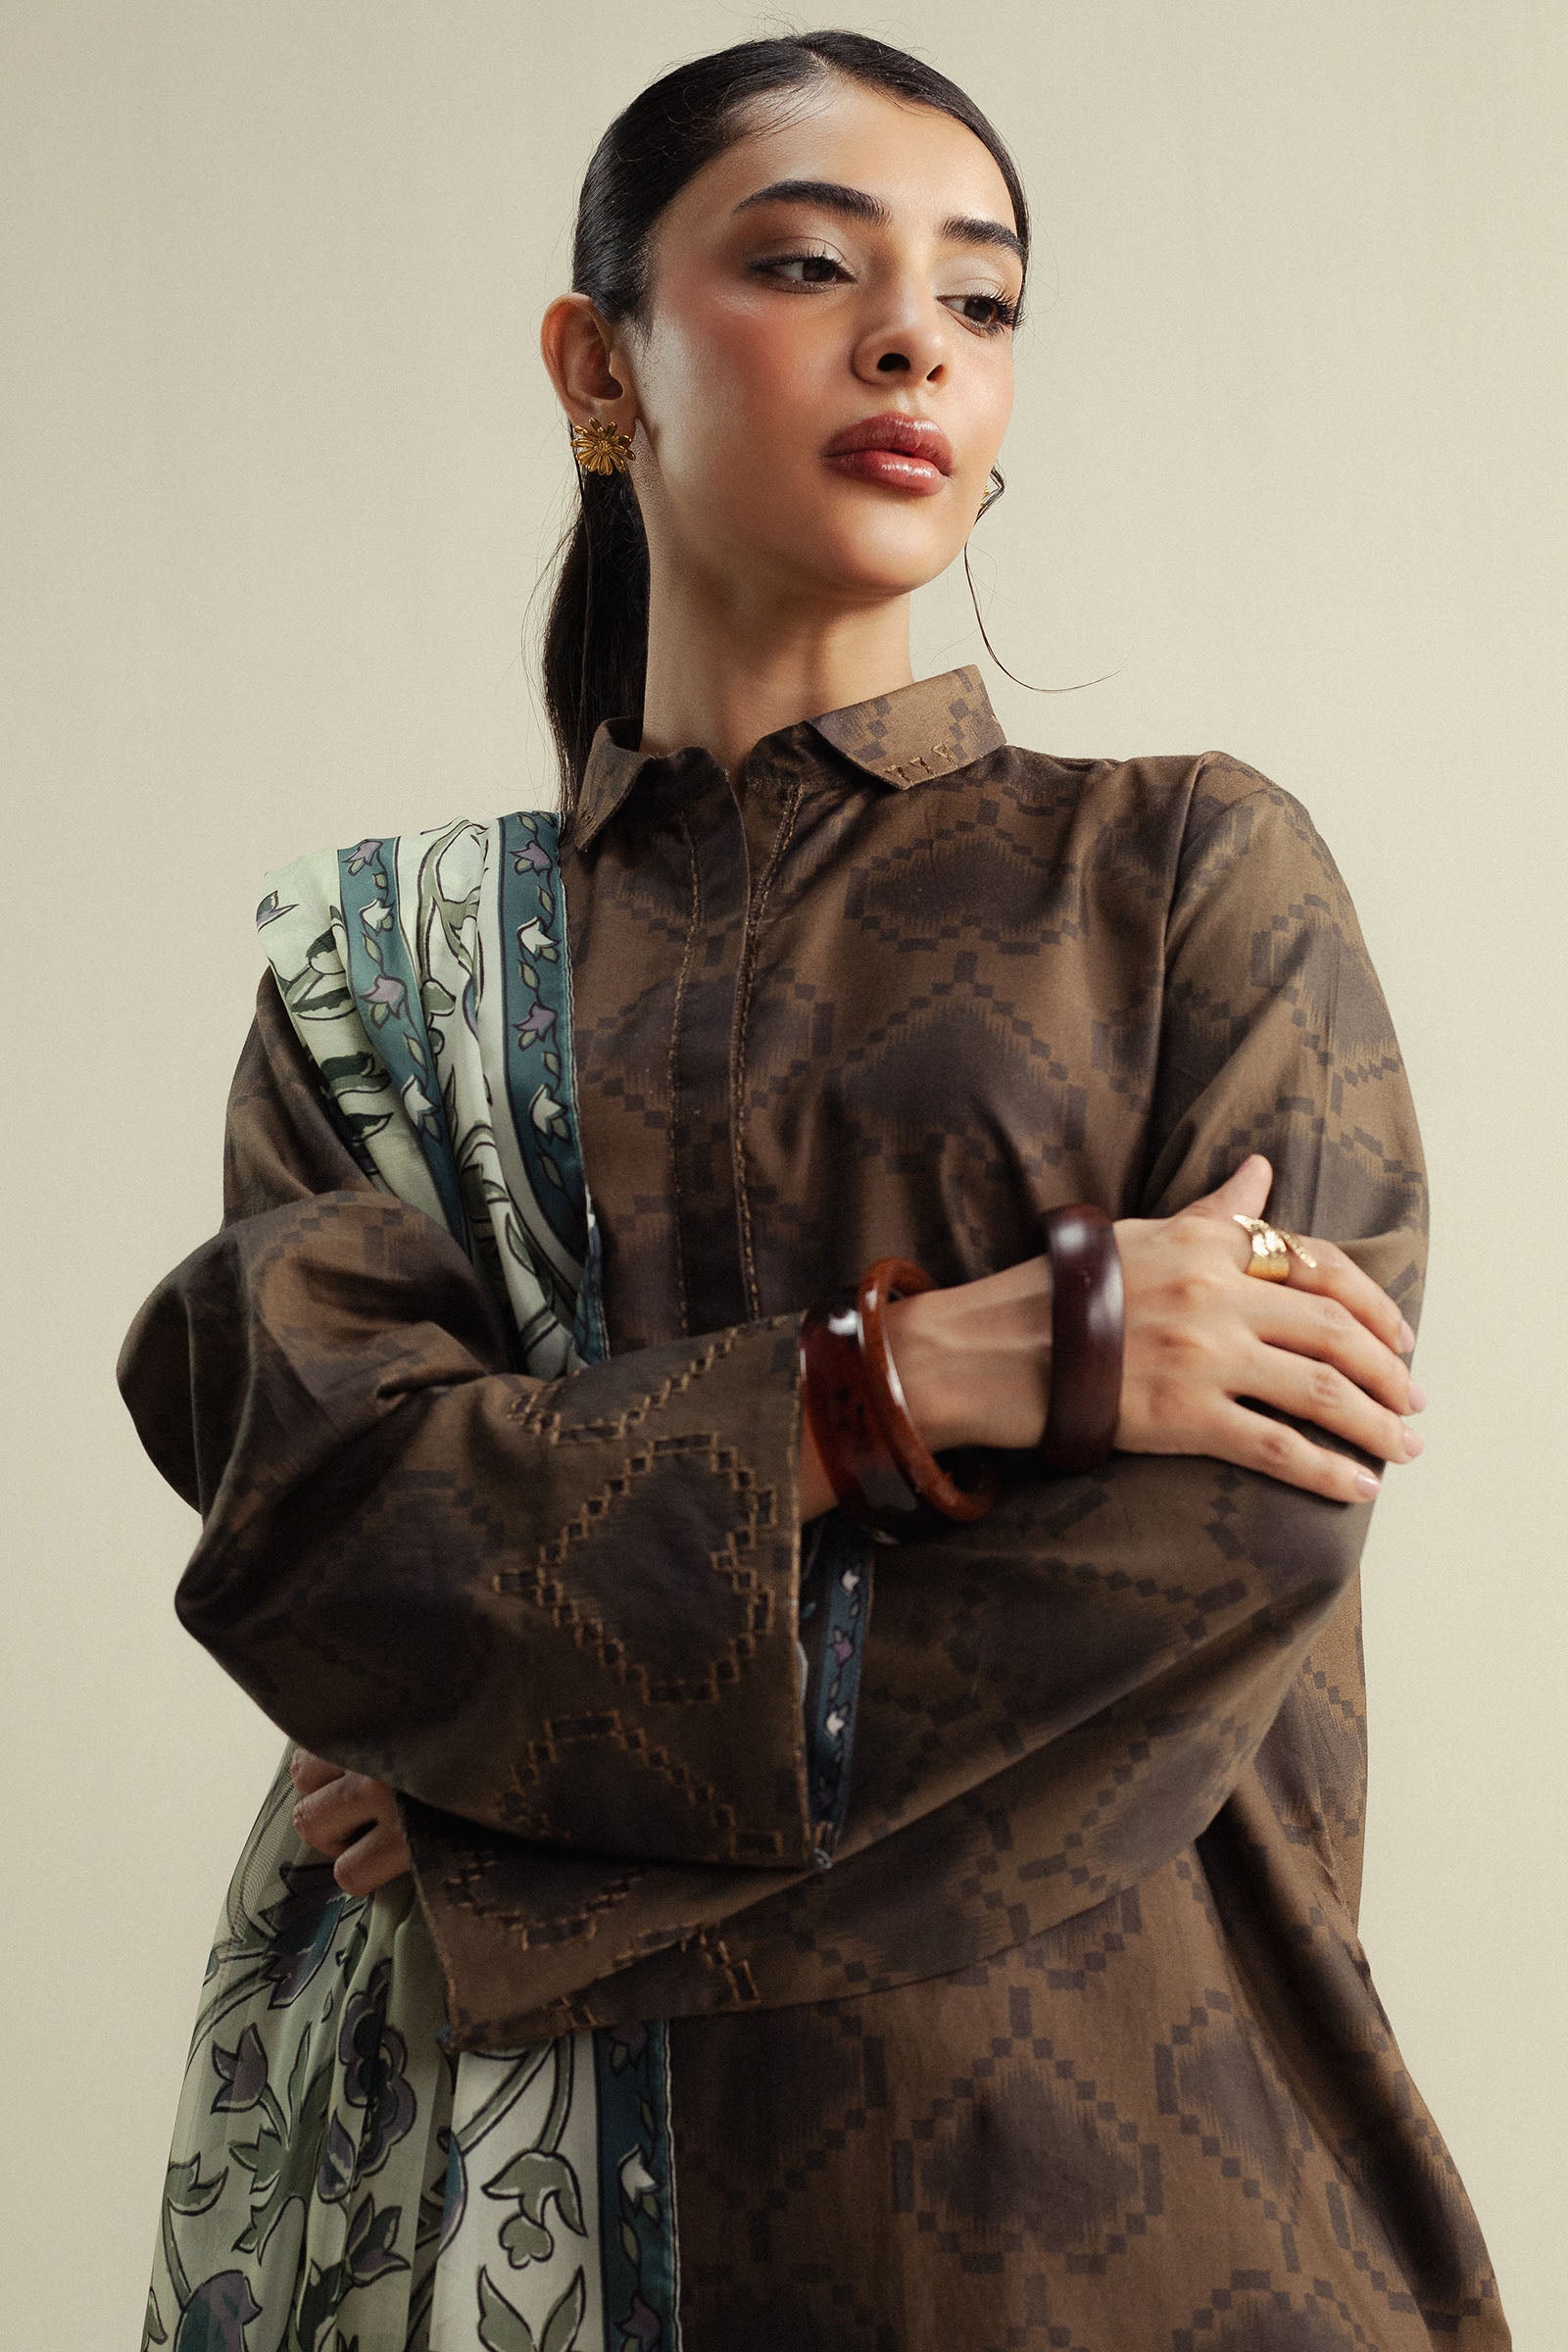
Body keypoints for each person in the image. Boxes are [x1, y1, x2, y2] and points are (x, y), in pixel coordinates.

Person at [119, 28, 1509, 2352]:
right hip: (491, 2239)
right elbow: (334, 1543)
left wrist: (504, 1840)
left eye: (978, 297)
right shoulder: (379, 983)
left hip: (1123, 2216)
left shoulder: (1175, 876)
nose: (910, 343)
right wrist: (905, 1378)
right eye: (805, 265)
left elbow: (1231, 1540)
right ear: (597, 366)